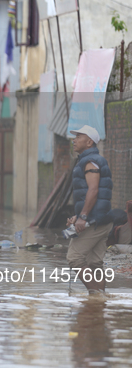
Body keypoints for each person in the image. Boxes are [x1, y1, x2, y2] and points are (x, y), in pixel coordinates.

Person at [66, 125, 113, 296]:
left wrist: (83, 217)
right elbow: (92, 194)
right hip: (102, 220)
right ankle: (101, 303)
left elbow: (93, 190)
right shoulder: (91, 160)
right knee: (95, 263)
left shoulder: (90, 161)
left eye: (78, 136)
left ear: (89, 141)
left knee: (75, 258)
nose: (74, 140)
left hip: (93, 222)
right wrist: (77, 216)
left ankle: (96, 296)